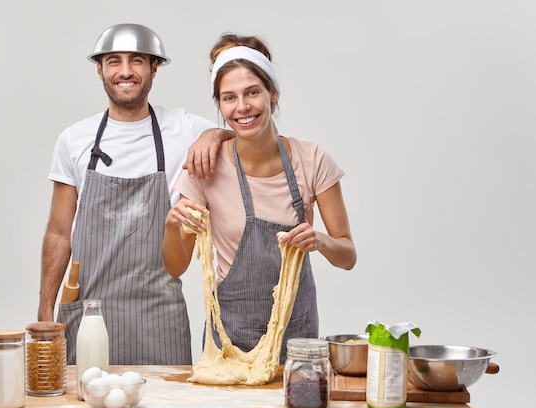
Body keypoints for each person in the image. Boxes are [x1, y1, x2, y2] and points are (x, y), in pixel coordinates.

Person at [37, 23, 232, 366]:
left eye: (137, 61)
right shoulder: (74, 140)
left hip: (159, 318)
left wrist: (214, 136)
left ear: (154, 68)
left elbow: (244, 135)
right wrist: (44, 310)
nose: (125, 71)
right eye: (114, 61)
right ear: (99, 69)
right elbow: (58, 233)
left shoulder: (184, 128)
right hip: (89, 315)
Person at [162, 34, 357, 364]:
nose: (242, 107)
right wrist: (171, 225)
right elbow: (176, 266)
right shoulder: (203, 168)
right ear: (219, 106)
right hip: (229, 341)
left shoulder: (312, 160)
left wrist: (320, 240)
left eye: (252, 92)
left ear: (273, 94)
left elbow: (347, 256)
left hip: (297, 339)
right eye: (229, 98)